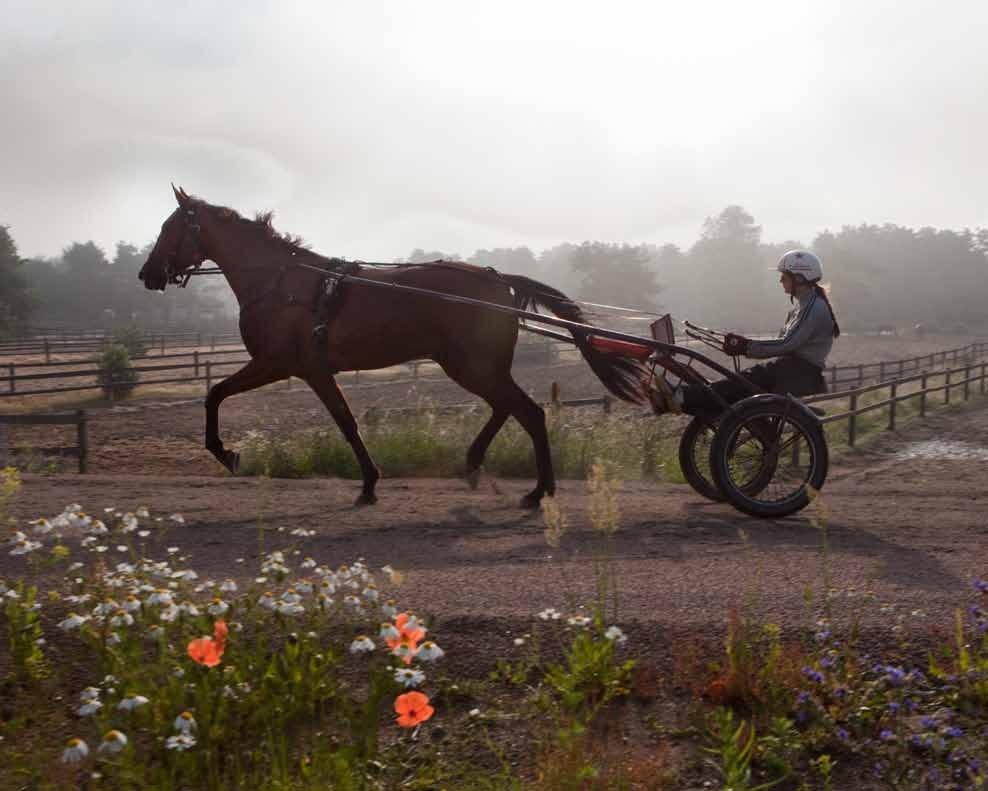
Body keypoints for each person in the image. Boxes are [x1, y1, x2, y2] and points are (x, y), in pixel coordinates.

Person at [652, 249, 840, 416]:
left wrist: (745, 346)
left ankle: (682, 397)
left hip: (799, 372)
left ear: (800, 278)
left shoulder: (814, 308)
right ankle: (682, 400)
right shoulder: (804, 306)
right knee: (740, 382)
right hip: (791, 368)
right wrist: (743, 345)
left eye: (785, 276)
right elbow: (782, 343)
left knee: (741, 382)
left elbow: (785, 344)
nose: (780, 280)